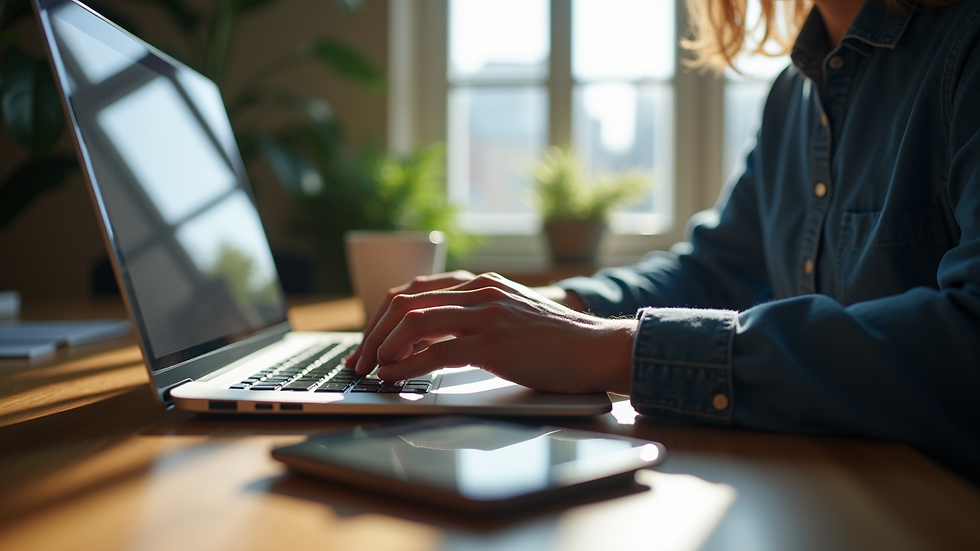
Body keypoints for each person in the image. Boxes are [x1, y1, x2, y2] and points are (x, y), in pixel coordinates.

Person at [347, 0, 980, 481]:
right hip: (833, 485)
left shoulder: (965, 50)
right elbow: (714, 270)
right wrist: (551, 306)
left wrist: (616, 349)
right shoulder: (794, 95)